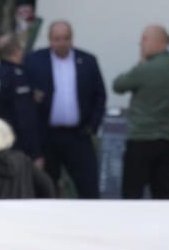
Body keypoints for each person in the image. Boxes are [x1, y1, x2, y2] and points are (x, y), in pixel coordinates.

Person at [23, 21, 106, 199]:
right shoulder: (34, 60)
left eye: (65, 38)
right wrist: (31, 94)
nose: (61, 43)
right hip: (47, 136)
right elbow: (22, 88)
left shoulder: (87, 61)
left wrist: (93, 125)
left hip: (79, 135)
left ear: (72, 38)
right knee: (45, 187)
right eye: (57, 39)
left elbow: (100, 95)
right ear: (50, 40)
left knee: (88, 186)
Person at [113, 25, 169, 199]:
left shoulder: (145, 69)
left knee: (133, 192)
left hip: (141, 137)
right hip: (166, 137)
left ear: (157, 41)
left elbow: (118, 85)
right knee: (162, 190)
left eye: (144, 39)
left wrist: (142, 61)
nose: (141, 43)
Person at [0, 33, 42, 165]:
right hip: (15, 145)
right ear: (18, 51)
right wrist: (35, 152)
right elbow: (25, 117)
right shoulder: (17, 76)